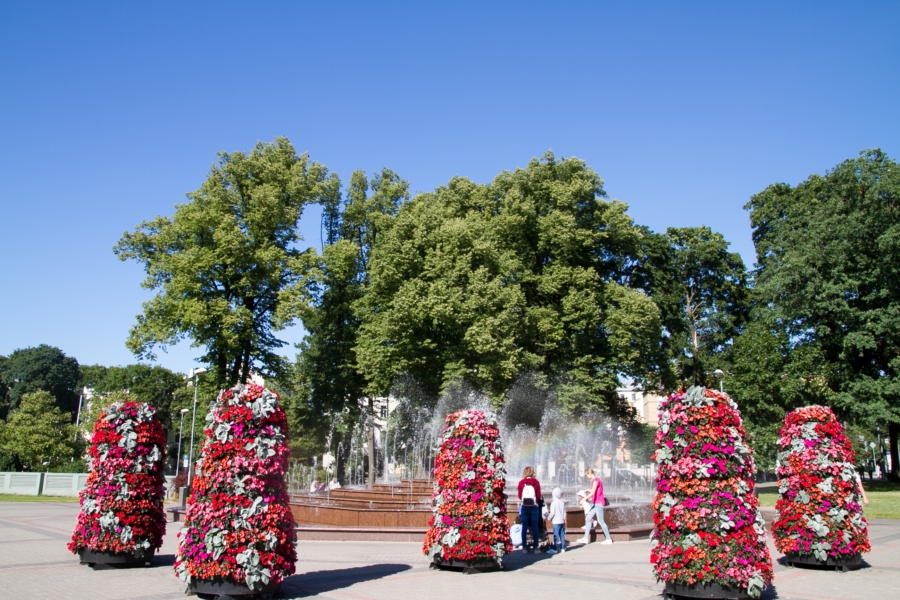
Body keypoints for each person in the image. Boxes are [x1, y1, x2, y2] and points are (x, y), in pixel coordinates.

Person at [577, 468, 612, 544]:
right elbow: (594, 490)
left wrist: (584, 499)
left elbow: (593, 492)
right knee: (588, 518)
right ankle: (585, 538)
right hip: (596, 503)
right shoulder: (595, 480)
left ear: (589, 473)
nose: (586, 477)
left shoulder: (596, 480)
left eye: (586, 475)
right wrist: (587, 490)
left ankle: (608, 539)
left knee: (601, 521)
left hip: (599, 503)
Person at [518, 466, 543, 554]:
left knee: (524, 527)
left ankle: (524, 548)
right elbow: (539, 496)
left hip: (524, 507)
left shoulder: (521, 483)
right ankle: (536, 548)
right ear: (532, 473)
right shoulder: (536, 482)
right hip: (534, 507)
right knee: (535, 527)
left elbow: (520, 496)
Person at [547, 486, 566, 554]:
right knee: (562, 535)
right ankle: (563, 548)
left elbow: (552, 513)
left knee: (556, 535)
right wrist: (564, 520)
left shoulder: (553, 503)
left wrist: (548, 518)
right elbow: (564, 512)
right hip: (561, 521)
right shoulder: (562, 502)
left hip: (555, 521)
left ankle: (555, 548)